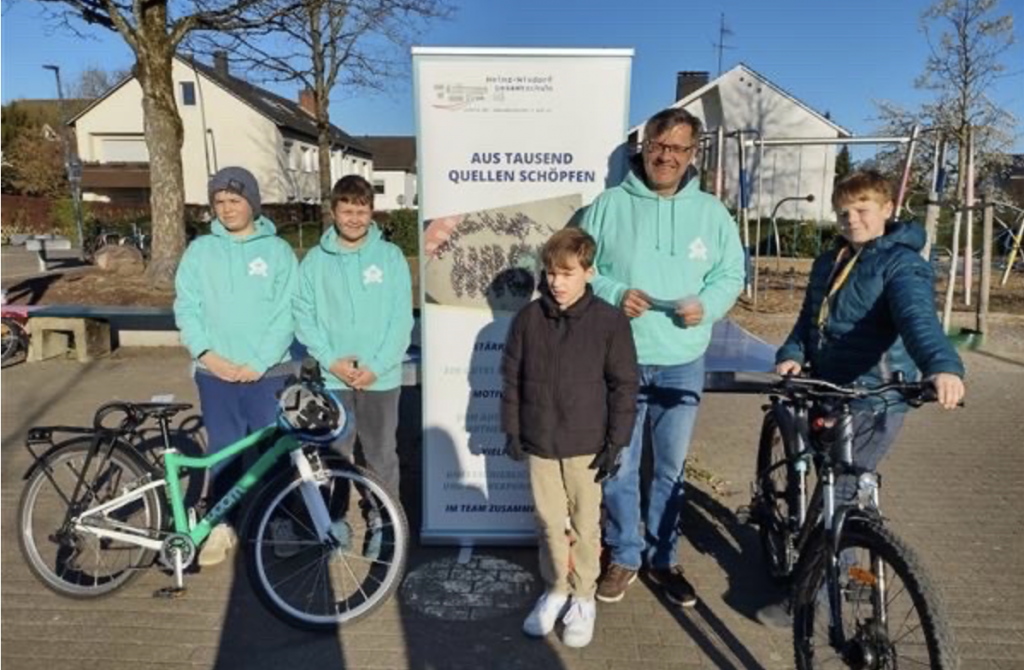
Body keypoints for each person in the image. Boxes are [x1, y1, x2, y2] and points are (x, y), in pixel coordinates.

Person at [581, 107, 746, 607]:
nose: (666, 156)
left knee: (670, 470)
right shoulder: (608, 206)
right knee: (620, 466)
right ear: (643, 145)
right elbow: (580, 268)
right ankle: (626, 555)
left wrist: (710, 304)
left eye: (677, 148)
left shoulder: (712, 214)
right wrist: (612, 292)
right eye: (658, 145)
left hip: (681, 360)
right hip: (621, 360)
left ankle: (663, 558)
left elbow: (730, 275)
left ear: (693, 154)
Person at [775, 170, 965, 497]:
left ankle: (838, 548)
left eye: (862, 210)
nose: (851, 220)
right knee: (828, 486)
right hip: (826, 387)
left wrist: (942, 366)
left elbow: (917, 317)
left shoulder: (902, 264)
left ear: (888, 209)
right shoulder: (828, 261)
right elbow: (809, 318)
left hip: (873, 396)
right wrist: (792, 353)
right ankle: (800, 541)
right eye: (843, 212)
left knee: (840, 495)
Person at [501, 227, 639, 648]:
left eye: (567, 273)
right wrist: (512, 428)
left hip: (587, 445)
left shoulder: (609, 321)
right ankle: (556, 588)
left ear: (589, 272)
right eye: (551, 273)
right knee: (548, 522)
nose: (557, 283)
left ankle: (583, 597)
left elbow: (624, 385)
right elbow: (512, 379)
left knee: (584, 524)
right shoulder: (529, 319)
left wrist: (617, 441)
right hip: (541, 440)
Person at [174, 166, 298, 566]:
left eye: (234, 200)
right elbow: (186, 307)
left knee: (272, 449)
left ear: (252, 203)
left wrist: (259, 362)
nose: (226, 209)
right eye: (219, 202)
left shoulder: (277, 252)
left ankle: (279, 519)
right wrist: (207, 354)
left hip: (268, 372)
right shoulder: (200, 252)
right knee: (224, 452)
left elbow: (287, 311)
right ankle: (221, 523)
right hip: (216, 373)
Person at [293, 174, 413, 558]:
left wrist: (376, 366)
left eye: (361, 211)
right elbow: (304, 314)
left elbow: (401, 320)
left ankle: (384, 520)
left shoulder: (390, 257)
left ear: (371, 212)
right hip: (334, 376)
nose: (354, 219)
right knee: (335, 454)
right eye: (347, 211)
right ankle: (335, 518)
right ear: (333, 212)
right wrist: (331, 360)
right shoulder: (314, 261)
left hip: (381, 378)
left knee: (380, 454)